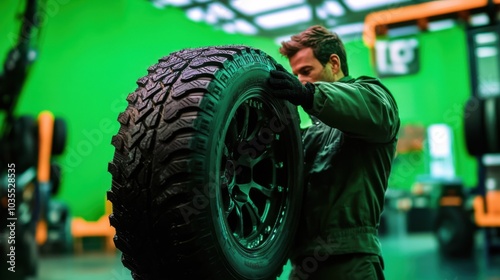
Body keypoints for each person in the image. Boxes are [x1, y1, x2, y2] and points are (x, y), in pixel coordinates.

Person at [267, 25, 400, 280]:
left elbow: (367, 109)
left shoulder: (373, 97)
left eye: (306, 71)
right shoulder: (309, 136)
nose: (300, 80)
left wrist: (308, 94)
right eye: (295, 75)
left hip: (350, 263)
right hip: (302, 266)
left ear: (334, 64)